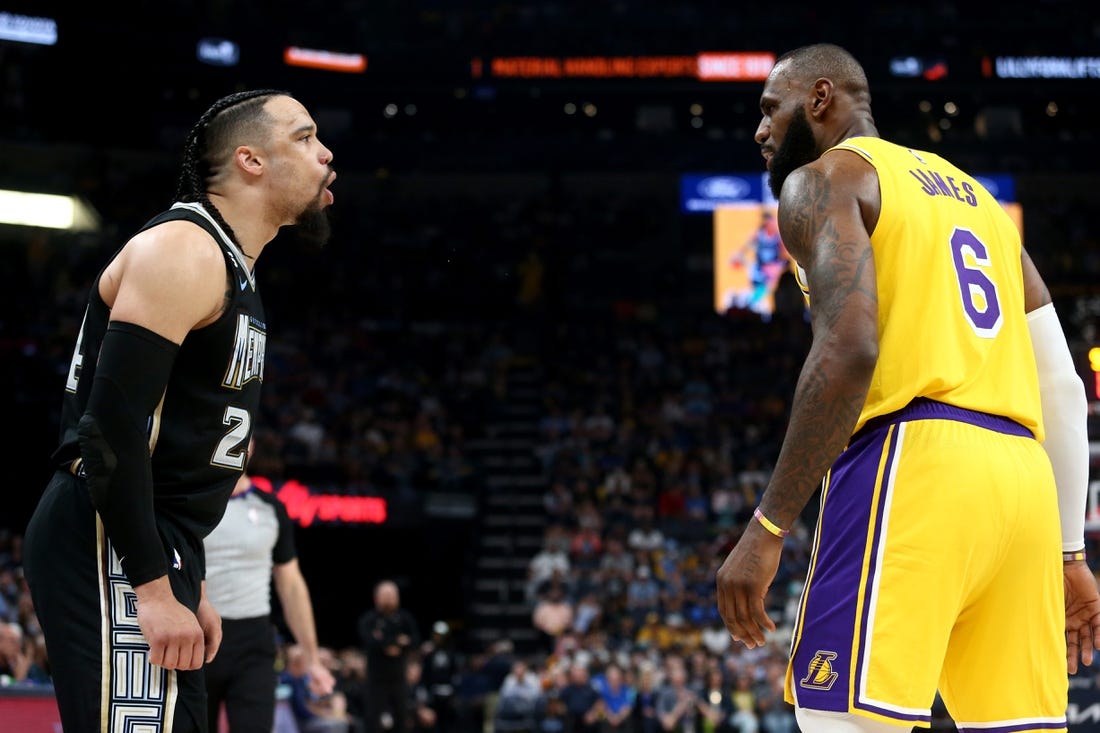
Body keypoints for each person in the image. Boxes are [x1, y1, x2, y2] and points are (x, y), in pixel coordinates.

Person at [714, 42, 1100, 732]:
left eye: (771, 109)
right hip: (1025, 489)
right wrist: (1069, 553)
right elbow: (1063, 387)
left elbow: (851, 348)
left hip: (914, 466)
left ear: (821, 98)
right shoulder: (980, 199)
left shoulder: (826, 179)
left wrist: (768, 525)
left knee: (842, 720)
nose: (761, 131)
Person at [21, 88, 336, 732]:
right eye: (304, 138)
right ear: (250, 160)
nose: (325, 153)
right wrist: (153, 585)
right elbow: (108, 432)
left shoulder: (229, 264)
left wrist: (188, 583)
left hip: (155, 546)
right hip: (111, 536)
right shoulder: (185, 249)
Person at [203, 452, 336, 732]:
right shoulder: (189, 500)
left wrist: (312, 660)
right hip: (199, 635)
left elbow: (292, 587)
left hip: (253, 641)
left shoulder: (271, 507)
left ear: (250, 445)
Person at [358, 580, 422, 733]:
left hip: (399, 676)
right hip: (376, 677)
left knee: (402, 716)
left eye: (392, 595)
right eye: (385, 595)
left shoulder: (405, 618)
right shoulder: (370, 619)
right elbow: (368, 640)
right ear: (376, 598)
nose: (389, 599)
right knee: (373, 718)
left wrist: (385, 641)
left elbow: (414, 641)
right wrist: (396, 641)